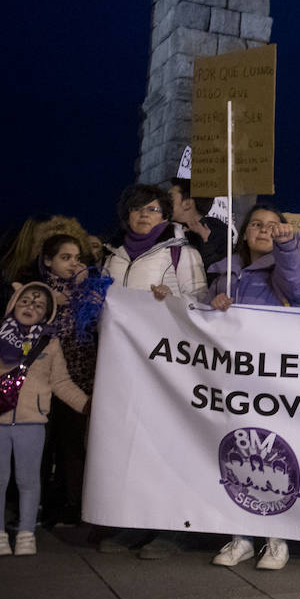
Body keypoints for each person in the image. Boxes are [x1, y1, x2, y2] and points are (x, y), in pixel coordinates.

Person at [98, 184, 206, 557]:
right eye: (137, 209)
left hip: (166, 364)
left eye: (154, 209)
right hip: (122, 363)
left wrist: (173, 301)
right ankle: (132, 524)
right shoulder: (111, 254)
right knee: (128, 444)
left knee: (167, 443)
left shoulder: (182, 254)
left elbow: (201, 305)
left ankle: (172, 529)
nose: (144, 215)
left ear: (165, 216)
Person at [207, 204, 300, 571]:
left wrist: (288, 246)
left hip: (275, 379)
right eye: (256, 224)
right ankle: (241, 536)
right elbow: (199, 322)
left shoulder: (286, 268)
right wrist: (212, 303)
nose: (264, 229)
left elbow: (297, 285)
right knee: (237, 449)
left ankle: (277, 538)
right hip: (233, 379)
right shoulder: (223, 272)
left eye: (272, 225)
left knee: (273, 450)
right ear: (244, 231)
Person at [0, 283, 90, 557]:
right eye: (25, 301)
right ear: (13, 304)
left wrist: (87, 406)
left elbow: (60, 382)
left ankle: (27, 532)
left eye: (39, 305)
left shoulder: (49, 344)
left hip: (32, 423)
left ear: (46, 315)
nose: (30, 307)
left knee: (28, 480)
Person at [34, 234, 108, 526]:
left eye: (77, 258)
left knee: (72, 444)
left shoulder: (88, 291)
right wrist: (52, 299)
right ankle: (38, 503)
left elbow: (97, 318)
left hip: (77, 380)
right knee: (43, 443)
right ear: (48, 260)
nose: (73, 263)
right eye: (65, 257)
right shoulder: (36, 292)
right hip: (42, 379)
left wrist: (82, 292)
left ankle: (71, 502)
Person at [168, 177, 230, 271]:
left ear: (187, 204)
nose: (164, 203)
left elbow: (219, 275)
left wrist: (206, 243)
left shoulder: (221, 235)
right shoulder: (164, 230)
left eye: (170, 198)